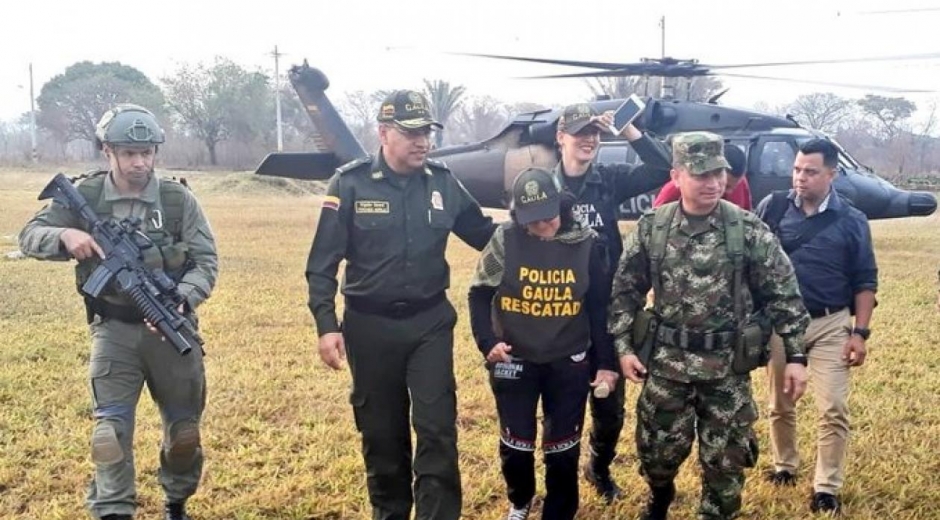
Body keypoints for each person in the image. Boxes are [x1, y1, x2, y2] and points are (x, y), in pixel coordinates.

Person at [18, 104, 218, 520]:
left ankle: (176, 503)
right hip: (112, 329)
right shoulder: (85, 195)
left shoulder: (177, 200)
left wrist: (183, 297)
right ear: (108, 151)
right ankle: (113, 511)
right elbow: (30, 236)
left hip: (170, 329)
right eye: (129, 153)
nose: (140, 162)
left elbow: (205, 261)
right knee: (109, 433)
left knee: (184, 433)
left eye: (147, 152)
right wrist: (65, 234)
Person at [305, 89, 496, 520]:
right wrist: (325, 323)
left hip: (429, 323)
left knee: (437, 430)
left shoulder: (443, 182)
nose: (422, 142)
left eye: (426, 132)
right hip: (369, 328)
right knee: (382, 435)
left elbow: (486, 235)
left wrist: (540, 227)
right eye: (411, 133)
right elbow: (322, 264)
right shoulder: (350, 183)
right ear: (384, 133)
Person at [608, 131, 810, 520]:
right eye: (701, 174)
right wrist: (623, 347)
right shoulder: (654, 227)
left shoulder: (746, 229)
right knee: (657, 456)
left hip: (727, 370)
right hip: (667, 366)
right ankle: (660, 495)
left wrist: (797, 356)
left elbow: (784, 294)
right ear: (676, 176)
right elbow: (625, 290)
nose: (714, 183)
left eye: (719, 173)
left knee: (726, 464)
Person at [467, 167, 619, 520]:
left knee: (562, 450)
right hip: (515, 357)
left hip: (568, 358)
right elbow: (479, 293)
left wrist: (606, 363)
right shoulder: (505, 239)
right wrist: (487, 342)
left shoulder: (587, 242)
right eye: (532, 221)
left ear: (562, 207)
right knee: (516, 445)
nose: (542, 228)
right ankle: (520, 501)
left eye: (548, 218)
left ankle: (559, 511)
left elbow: (598, 308)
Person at [551, 102, 672, 502]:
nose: (589, 139)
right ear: (560, 138)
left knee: (610, 406)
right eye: (580, 132)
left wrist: (630, 130)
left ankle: (599, 468)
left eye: (595, 133)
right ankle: (558, 474)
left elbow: (661, 169)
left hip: (608, 310)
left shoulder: (610, 180)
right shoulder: (544, 187)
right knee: (561, 401)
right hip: (561, 310)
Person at [757, 138, 878, 515]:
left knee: (834, 408)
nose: (800, 178)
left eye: (810, 171)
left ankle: (826, 486)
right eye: (796, 169)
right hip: (782, 324)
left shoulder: (852, 220)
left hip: (830, 322)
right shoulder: (773, 208)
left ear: (832, 174)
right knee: (780, 403)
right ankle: (785, 465)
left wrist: (859, 332)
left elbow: (865, 280)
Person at [653, 143, 752, 210]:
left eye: (734, 187)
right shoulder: (676, 189)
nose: (730, 191)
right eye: (727, 186)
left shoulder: (738, 181)